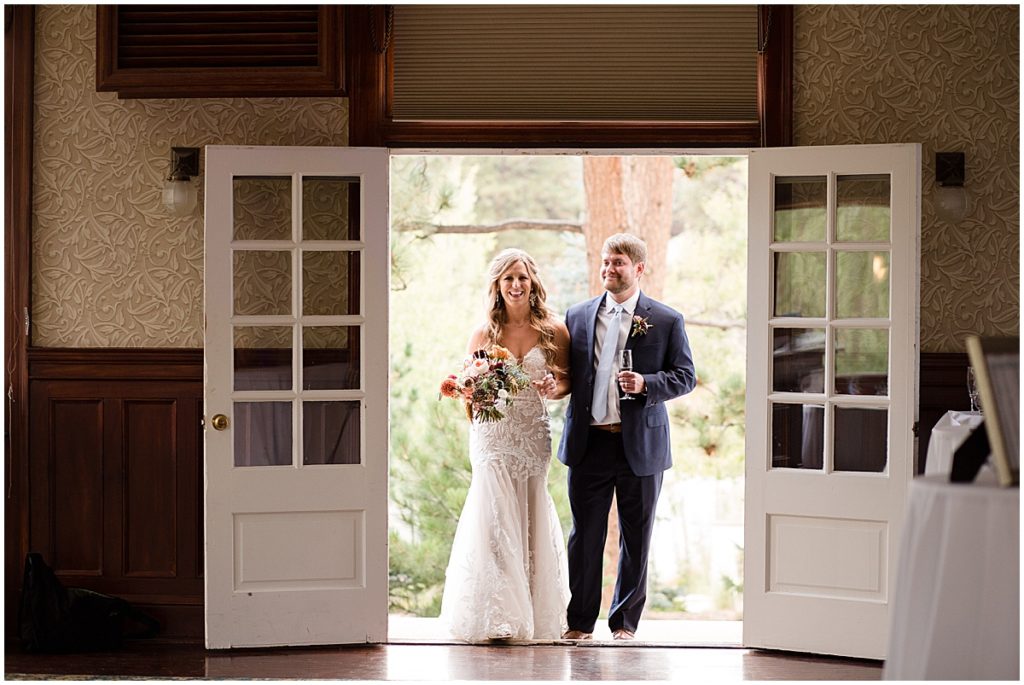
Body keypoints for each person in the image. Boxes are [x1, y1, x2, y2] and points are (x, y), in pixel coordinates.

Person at [557, 233, 696, 641]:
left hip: (641, 446)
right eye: (605, 261)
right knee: (585, 537)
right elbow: (570, 374)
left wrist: (646, 383)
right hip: (589, 443)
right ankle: (580, 622)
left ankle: (624, 624)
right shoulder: (577, 316)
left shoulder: (667, 319)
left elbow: (686, 376)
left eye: (617, 262)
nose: (608, 269)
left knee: (637, 537)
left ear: (638, 269)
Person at [439, 248, 572, 642]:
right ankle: (496, 614)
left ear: (533, 284)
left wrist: (553, 386)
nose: (516, 285)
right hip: (492, 435)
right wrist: (474, 389)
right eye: (508, 279)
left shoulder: (554, 329)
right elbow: (470, 387)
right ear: (498, 286)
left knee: (528, 510)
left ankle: (529, 610)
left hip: (532, 433)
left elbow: (567, 381)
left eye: (522, 278)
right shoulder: (484, 333)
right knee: (494, 514)